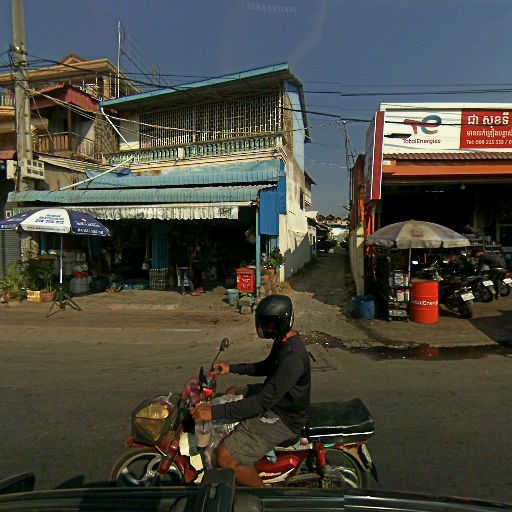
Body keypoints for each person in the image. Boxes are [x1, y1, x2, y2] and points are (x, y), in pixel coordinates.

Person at [191, 294, 311, 487]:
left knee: (225, 457)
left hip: (283, 417)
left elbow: (262, 403)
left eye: (268, 324)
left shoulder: (293, 358)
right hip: (275, 398)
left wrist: (214, 412)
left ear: (281, 322)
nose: (264, 328)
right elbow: (267, 366)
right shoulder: (284, 340)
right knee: (232, 391)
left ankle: (265, 497)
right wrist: (232, 368)